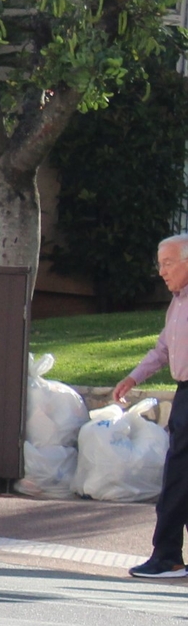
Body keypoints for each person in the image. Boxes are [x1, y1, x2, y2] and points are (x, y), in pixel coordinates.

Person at [121, 234, 188, 579]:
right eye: (159, 263)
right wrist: (133, 378)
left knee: (178, 478)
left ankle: (167, 557)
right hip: (183, 394)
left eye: (168, 263)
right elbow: (163, 350)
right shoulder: (178, 303)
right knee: (179, 477)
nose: (161, 271)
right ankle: (168, 556)